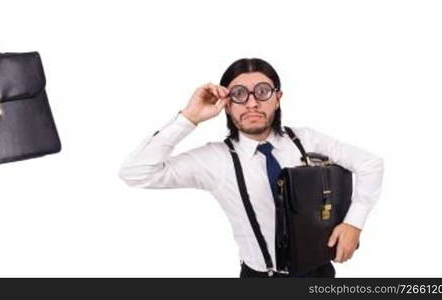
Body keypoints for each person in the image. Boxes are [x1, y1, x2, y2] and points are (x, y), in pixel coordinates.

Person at [118, 58, 384, 277]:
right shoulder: (216, 160)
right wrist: (189, 117)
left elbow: (370, 164)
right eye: (239, 94)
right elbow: (135, 172)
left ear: (277, 98)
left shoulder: (305, 139)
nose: (252, 102)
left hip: (320, 273)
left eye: (263, 92)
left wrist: (354, 223)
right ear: (225, 104)